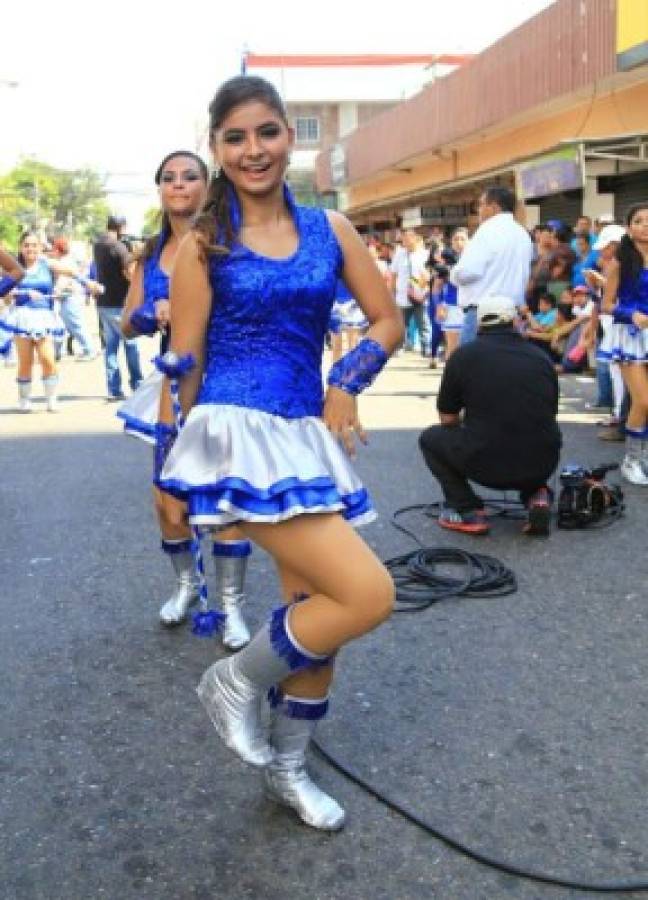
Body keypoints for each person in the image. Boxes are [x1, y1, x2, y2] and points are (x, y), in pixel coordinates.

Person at [156, 75, 402, 830]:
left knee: (314, 610)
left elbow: (387, 319)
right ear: (217, 149)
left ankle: (288, 772)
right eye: (235, 137)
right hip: (234, 434)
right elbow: (185, 361)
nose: (252, 149)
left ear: (290, 137)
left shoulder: (333, 229)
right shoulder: (205, 244)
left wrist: (349, 380)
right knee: (367, 594)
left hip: (303, 435)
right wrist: (176, 471)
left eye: (266, 132)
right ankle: (234, 681)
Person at [116, 150, 254, 647]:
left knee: (226, 498)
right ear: (160, 190)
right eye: (169, 178)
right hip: (173, 384)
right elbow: (126, 324)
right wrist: (152, 314)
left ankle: (232, 607)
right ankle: (187, 585)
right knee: (169, 503)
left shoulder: (229, 243)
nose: (179, 185)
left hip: (227, 380)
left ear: (207, 184)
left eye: (190, 176)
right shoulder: (151, 252)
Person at [419, 295, 561, 536]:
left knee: (430, 439)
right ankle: (537, 495)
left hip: (485, 465)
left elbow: (448, 419)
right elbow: (547, 413)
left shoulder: (463, 356)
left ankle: (467, 510)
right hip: (542, 461)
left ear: (479, 324)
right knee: (532, 432)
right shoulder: (541, 358)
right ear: (516, 321)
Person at [1, 232, 99, 412]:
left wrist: (87, 283)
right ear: (21, 247)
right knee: (25, 362)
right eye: (26, 245)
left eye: (34, 245)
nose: (30, 249)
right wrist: (17, 294)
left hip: (44, 317)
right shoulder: (13, 268)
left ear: (40, 247)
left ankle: (51, 399)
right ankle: (24, 400)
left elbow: (71, 271)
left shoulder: (46, 263)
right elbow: (6, 298)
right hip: (21, 317)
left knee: (48, 359)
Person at [599, 203, 648, 484]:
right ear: (629, 228)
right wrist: (631, 314)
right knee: (642, 400)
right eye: (639, 220)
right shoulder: (620, 262)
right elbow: (605, 305)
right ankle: (632, 460)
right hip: (631, 336)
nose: (645, 225)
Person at [451, 187, 533, 345]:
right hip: (512, 312)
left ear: (494, 207)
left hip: (483, 312)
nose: (479, 210)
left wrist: (453, 274)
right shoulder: (522, 234)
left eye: (481, 205)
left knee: (472, 364)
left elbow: (467, 272)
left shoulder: (487, 231)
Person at [93, 215, 143, 400]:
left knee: (111, 348)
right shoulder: (119, 247)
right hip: (121, 302)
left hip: (103, 301)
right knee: (131, 344)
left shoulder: (98, 244)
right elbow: (129, 272)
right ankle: (137, 384)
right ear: (120, 226)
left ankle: (114, 389)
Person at [50, 236, 97, 360]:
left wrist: (55, 292)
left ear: (58, 250)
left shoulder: (65, 262)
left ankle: (89, 350)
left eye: (54, 249)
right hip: (68, 298)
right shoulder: (65, 260)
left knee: (76, 325)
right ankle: (56, 352)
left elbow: (63, 281)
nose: (52, 252)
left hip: (70, 298)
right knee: (65, 326)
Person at [390, 229, 431, 359]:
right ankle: (400, 347)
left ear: (416, 238)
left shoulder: (424, 254)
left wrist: (423, 288)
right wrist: (392, 292)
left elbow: (428, 276)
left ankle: (426, 347)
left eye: (409, 237)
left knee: (423, 322)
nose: (406, 240)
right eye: (404, 237)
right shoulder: (399, 254)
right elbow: (394, 274)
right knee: (402, 324)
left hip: (419, 295)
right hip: (402, 295)